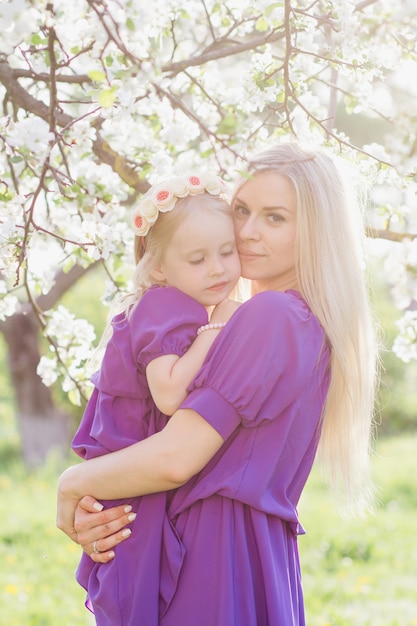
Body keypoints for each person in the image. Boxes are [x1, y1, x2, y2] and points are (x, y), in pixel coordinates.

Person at [57, 142, 378, 626]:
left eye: (275, 218)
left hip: (213, 555)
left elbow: (175, 458)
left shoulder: (271, 315)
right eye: (243, 210)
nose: (247, 231)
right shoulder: (301, 320)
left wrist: (72, 483)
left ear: (315, 230)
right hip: (251, 553)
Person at [69, 172, 241, 624]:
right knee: (136, 587)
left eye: (227, 252)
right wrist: (218, 326)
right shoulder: (169, 305)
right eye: (199, 259)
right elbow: (168, 394)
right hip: (130, 466)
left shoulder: (167, 303)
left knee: (138, 580)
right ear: (160, 267)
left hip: (130, 463)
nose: (218, 269)